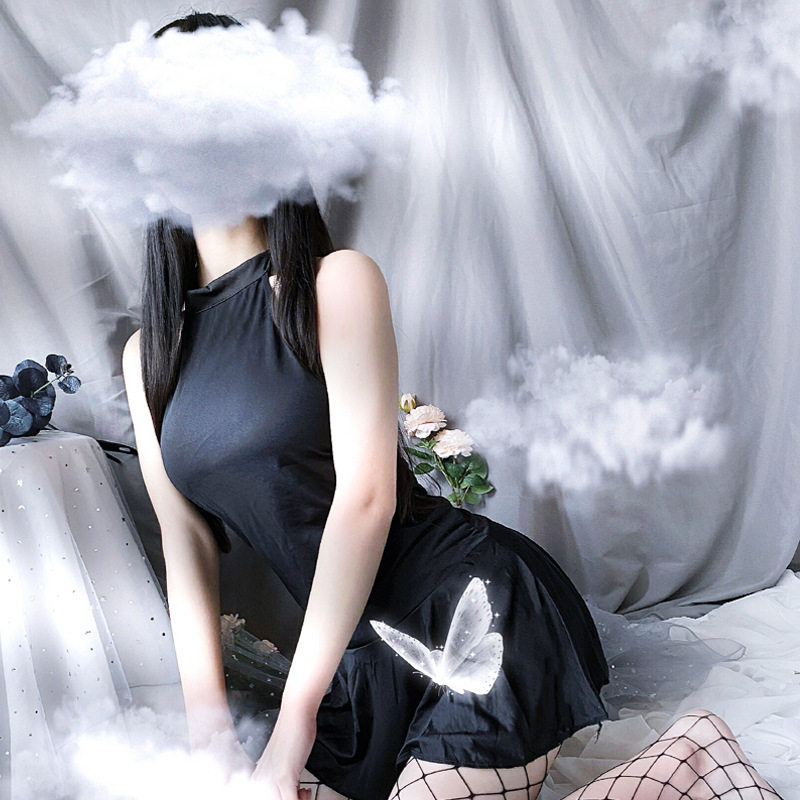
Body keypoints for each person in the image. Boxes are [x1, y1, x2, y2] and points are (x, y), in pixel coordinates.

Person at [121, 12, 784, 800]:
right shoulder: (149, 354)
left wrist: (291, 729)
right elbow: (187, 544)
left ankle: (693, 760)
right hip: (358, 658)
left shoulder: (334, 284)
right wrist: (211, 737)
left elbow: (366, 501)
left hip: (470, 605)